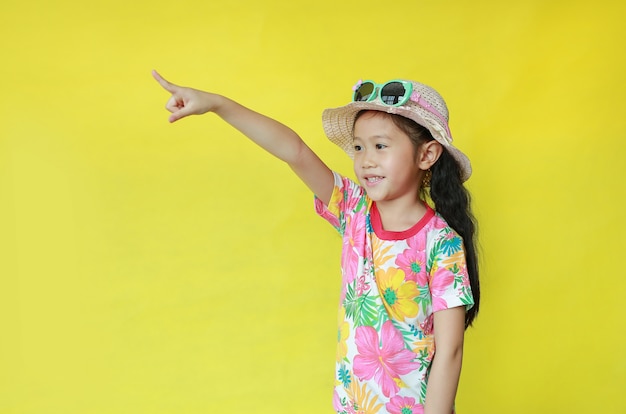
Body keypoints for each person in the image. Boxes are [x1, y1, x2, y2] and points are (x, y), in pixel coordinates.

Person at [152, 71, 480, 414]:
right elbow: (294, 150)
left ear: (426, 155)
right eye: (358, 147)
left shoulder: (441, 243)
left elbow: (451, 350)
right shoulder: (354, 210)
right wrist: (218, 105)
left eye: (380, 146)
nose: (366, 160)